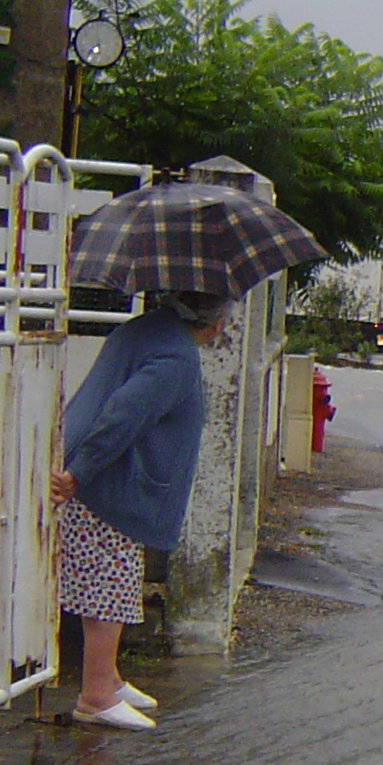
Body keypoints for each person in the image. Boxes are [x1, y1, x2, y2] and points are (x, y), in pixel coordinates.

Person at [49, 290, 230, 729]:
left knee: (115, 580)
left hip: (101, 477)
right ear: (214, 321)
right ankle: (95, 695)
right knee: (107, 589)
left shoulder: (146, 329)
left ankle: (108, 679)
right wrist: (81, 472)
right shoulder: (176, 357)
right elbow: (124, 415)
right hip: (107, 484)